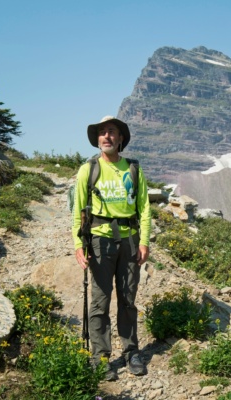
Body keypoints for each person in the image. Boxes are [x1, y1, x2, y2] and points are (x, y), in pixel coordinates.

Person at [72, 115, 151, 381]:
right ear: (98, 139)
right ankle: (100, 357)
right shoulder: (88, 169)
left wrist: (144, 242)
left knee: (128, 299)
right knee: (100, 300)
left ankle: (131, 352)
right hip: (99, 240)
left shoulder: (133, 169)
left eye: (112, 132)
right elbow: (78, 210)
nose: (107, 136)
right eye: (102, 132)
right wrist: (77, 245)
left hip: (129, 240)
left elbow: (145, 209)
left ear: (120, 139)